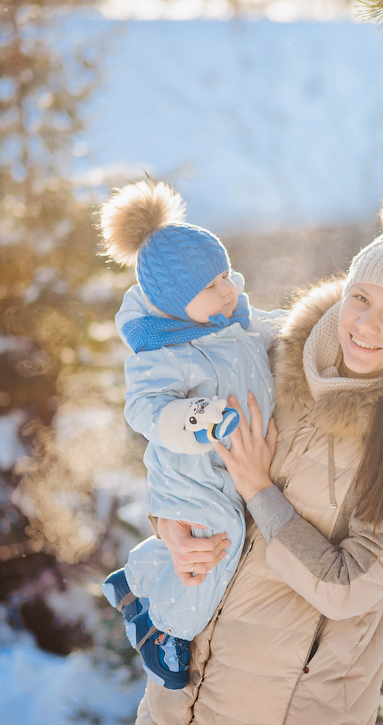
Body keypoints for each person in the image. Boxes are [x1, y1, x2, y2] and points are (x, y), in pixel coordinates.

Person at [131, 171, 383, 725]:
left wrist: (258, 492)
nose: (366, 326)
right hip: (195, 700)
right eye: (361, 298)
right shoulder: (272, 358)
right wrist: (172, 527)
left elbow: (350, 587)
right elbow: (180, 451)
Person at [98, 180, 280, 690]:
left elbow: (273, 327)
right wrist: (201, 418)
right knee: (218, 544)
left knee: (213, 535)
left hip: (223, 469)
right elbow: (147, 411)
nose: (228, 290)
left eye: (225, 275)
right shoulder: (162, 353)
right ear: (176, 303)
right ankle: (168, 630)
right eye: (210, 286)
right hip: (192, 476)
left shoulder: (231, 320)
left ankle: (134, 580)